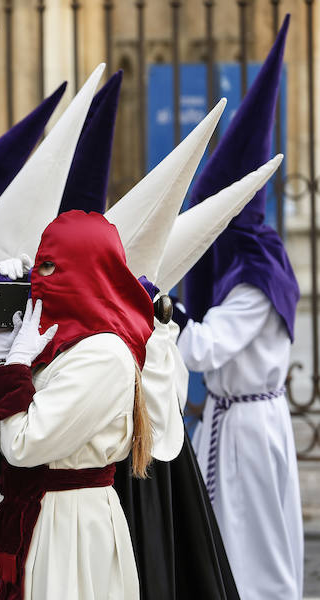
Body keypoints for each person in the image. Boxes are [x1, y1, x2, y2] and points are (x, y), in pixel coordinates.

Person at [0, 210, 154, 600]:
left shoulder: (104, 355)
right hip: (24, 511)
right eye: (38, 265)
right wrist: (1, 358)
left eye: (50, 266)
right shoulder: (57, 346)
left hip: (69, 528)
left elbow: (22, 446)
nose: (39, 278)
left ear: (87, 269)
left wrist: (15, 367)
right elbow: (6, 439)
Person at [177, 16, 303, 600]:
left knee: (256, 558)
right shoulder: (253, 262)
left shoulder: (256, 277)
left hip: (248, 431)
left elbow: (204, 348)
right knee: (232, 546)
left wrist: (161, 312)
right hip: (237, 423)